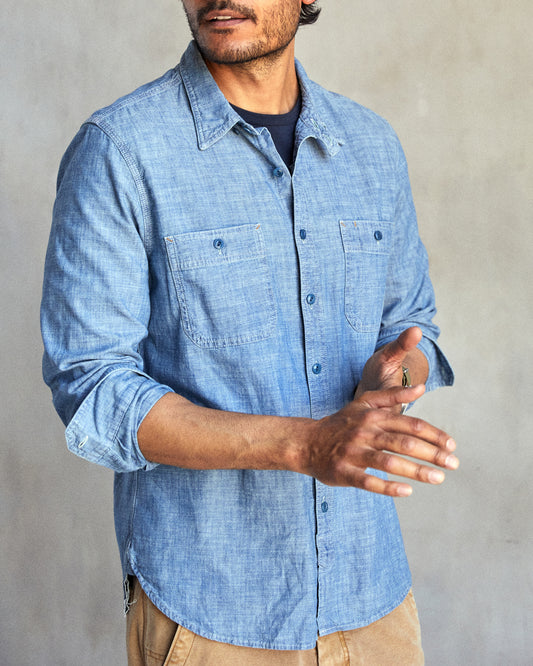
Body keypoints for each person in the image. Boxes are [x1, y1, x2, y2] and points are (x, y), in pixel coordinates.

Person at [41, 1, 457, 663]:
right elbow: (94, 388)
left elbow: (412, 324)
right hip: (210, 612)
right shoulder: (120, 149)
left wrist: (395, 374)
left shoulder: (371, 145)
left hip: (371, 597)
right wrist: (307, 445)